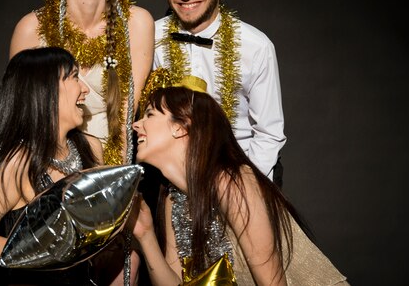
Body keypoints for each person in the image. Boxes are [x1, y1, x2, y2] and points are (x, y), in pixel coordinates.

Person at [131, 77, 350, 285]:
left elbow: (272, 283)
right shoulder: (173, 199)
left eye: (149, 115)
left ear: (180, 127)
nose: (136, 125)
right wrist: (146, 235)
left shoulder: (232, 181)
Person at [9, 0, 154, 167]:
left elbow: (125, 115)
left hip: (114, 160)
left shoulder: (136, 21)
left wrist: (114, 182)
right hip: (49, 163)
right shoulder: (31, 29)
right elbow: (24, 118)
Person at [0, 46, 102, 285]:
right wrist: (46, 251)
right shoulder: (16, 163)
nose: (85, 89)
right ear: (47, 90)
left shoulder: (91, 148)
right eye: (75, 77)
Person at [144, 0, 285, 186]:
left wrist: (243, 189)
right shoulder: (148, 37)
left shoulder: (256, 46)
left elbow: (268, 133)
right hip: (168, 176)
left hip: (239, 171)